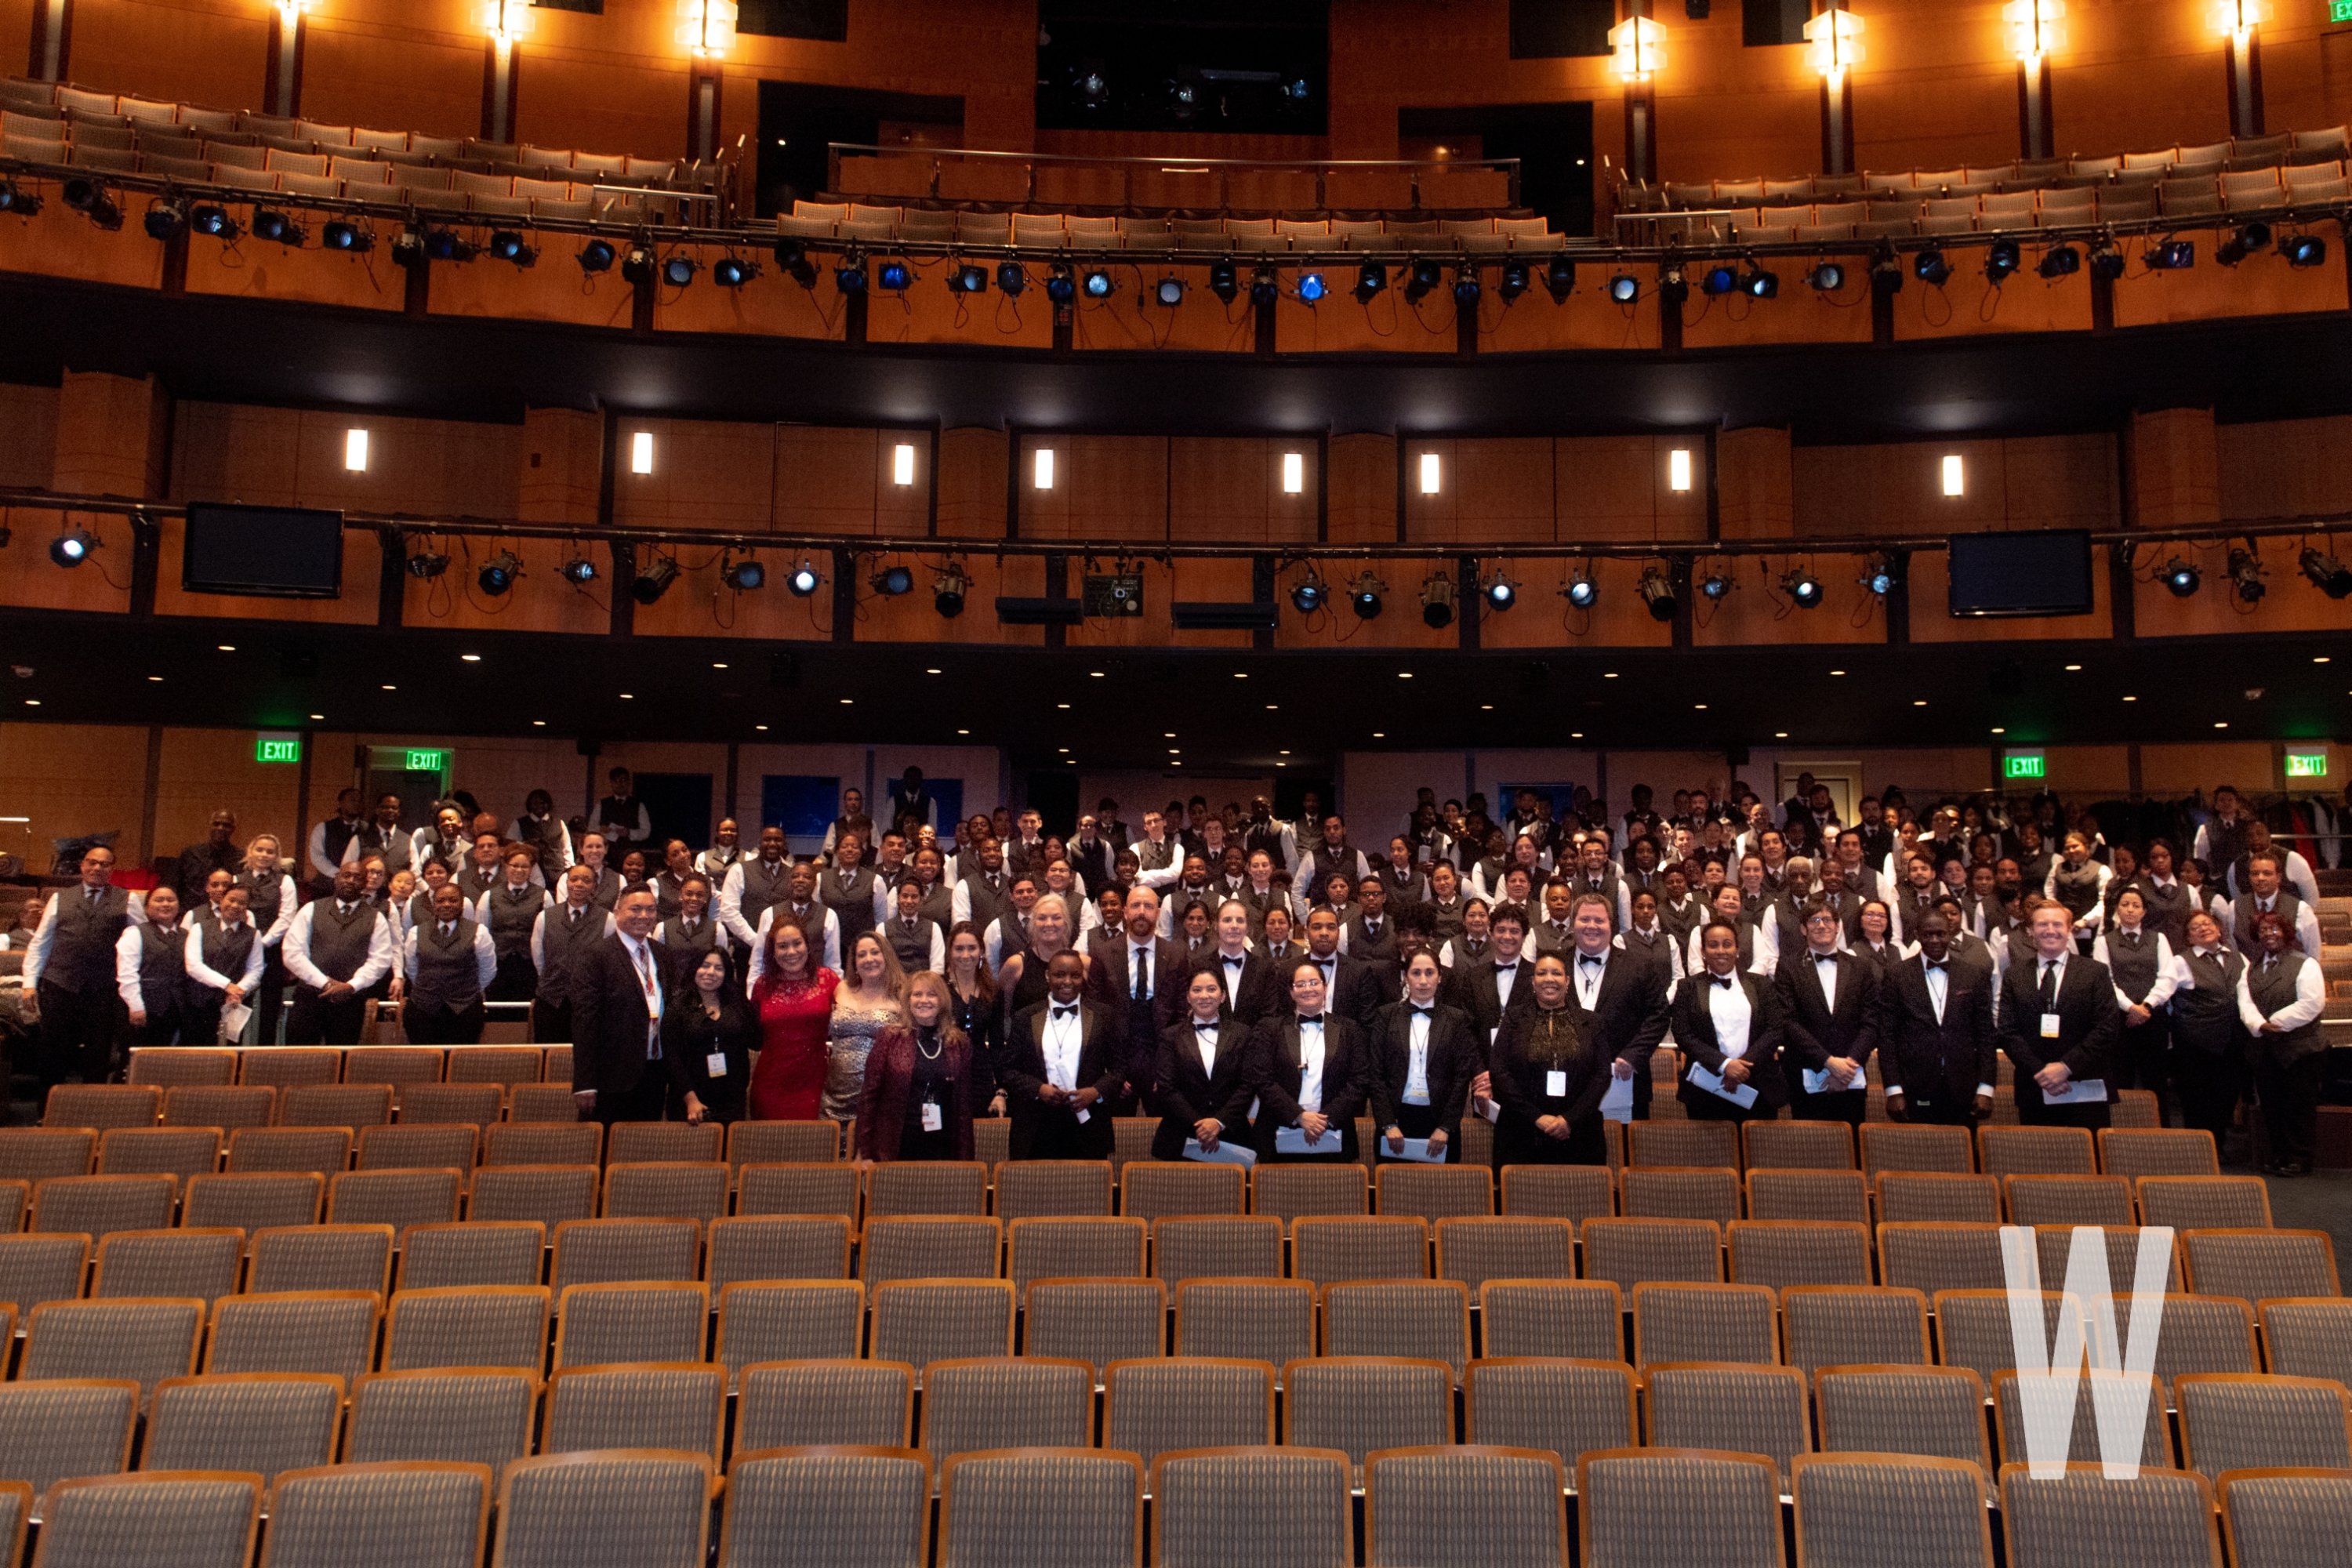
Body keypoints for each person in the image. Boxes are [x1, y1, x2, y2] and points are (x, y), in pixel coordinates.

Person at [24, 845, 144, 1087]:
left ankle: (92, 1110)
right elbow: (41, 943)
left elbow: (141, 941)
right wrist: (29, 983)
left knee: (98, 1054)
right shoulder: (59, 898)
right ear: (82, 866)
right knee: (53, 1052)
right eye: (92, 862)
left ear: (112, 869)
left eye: (104, 864)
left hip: (104, 990)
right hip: (60, 985)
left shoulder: (129, 900)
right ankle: (46, 1111)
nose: (97, 867)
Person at [1997, 900, 2120, 1130]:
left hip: (2084, 1087)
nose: (2050, 930)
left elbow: (2107, 1028)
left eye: (2057, 924)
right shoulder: (2015, 975)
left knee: (2088, 1161)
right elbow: (2007, 1030)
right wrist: (2041, 1072)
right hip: (2035, 1086)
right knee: (2040, 1162)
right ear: (2031, 930)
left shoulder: (2095, 972)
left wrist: (2065, 1067)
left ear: (2068, 928)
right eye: (2043, 924)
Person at [1486, 952, 1612, 1166]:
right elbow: (1499, 1071)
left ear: (1567, 981)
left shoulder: (1592, 1021)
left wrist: (1569, 1119)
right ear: (1533, 981)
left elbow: (1601, 1076)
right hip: (1522, 1131)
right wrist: (1536, 1117)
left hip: (1579, 1132)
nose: (1549, 979)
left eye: (1557, 973)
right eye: (1542, 973)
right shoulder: (1513, 1018)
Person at [1878, 913, 1998, 1127]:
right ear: (1917, 936)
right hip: (1915, 1084)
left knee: (1965, 1154)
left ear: (1950, 934)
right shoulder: (1897, 975)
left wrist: (1986, 1088)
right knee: (1919, 1153)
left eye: (1940, 934)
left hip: (1964, 1086)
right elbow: (1887, 1037)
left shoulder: (1974, 974)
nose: (1934, 940)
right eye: (1928, 934)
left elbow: (1986, 1035)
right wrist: (1893, 1089)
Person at [1002, 949, 1120, 1160]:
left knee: (1088, 1191)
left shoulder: (1105, 1016)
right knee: (1038, 1191)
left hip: (1088, 1123)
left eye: (1075, 975)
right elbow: (1008, 1070)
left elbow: (1120, 1069)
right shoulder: (1024, 1017)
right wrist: (1038, 1089)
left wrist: (1095, 1091)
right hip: (1036, 1125)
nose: (1067, 981)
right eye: (1059, 975)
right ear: (1047, 976)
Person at [1566, 892, 1671, 1120]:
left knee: (1626, 1150)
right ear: (1572, 923)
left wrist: (1634, 1055)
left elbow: (1660, 1014)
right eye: (1584, 919)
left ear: (1611, 925)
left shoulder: (1639, 966)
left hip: (1625, 1081)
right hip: (1567, 1086)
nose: (1592, 926)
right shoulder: (1554, 965)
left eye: (1599, 920)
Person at [2238, 910, 2328, 1177]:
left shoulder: (2305, 963)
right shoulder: (2251, 968)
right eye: (2263, 930)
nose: (2269, 934)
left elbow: (2312, 1003)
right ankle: (2279, 1155)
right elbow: (2245, 1002)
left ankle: (2299, 1158)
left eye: (2274, 929)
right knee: (2272, 1106)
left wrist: (2275, 1022)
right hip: (2266, 1049)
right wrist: (2258, 1025)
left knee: (2298, 1107)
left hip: (2302, 1050)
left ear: (2286, 933)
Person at [1776, 898, 1881, 1127]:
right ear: (1804, 929)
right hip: (1807, 1074)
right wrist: (1829, 1063)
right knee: (1810, 1150)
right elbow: (1788, 1021)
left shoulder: (1861, 967)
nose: (1821, 925)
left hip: (1851, 1076)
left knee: (1853, 1147)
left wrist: (1848, 1066)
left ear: (1838, 926)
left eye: (1827, 920)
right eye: (1814, 920)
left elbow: (1871, 1021)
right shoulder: (1788, 968)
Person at [1367, 946, 1478, 1162]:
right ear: (1406, 977)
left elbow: (1461, 1078)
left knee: (1440, 1192)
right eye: (1416, 973)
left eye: (1430, 972)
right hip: (1396, 1120)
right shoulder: (1385, 1016)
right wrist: (1388, 1124)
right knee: (1393, 1190)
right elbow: (1376, 1074)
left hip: (1440, 1120)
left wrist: (1445, 1127)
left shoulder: (1456, 1020)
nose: (1424, 981)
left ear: (1440, 977)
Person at [569, 887, 670, 1125]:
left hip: (655, 1073)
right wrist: (585, 1082)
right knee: (604, 1153)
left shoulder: (662, 954)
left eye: (650, 910)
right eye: (635, 909)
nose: (644, 916)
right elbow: (585, 1022)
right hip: (611, 1078)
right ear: (617, 912)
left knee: (641, 1154)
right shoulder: (596, 955)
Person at [1251, 956, 1365, 1164]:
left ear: (1325, 987)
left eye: (1314, 983)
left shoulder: (1350, 1029)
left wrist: (1325, 1119)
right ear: (1292, 993)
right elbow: (1262, 1079)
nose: (1308, 989)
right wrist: (1299, 1116)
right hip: (1279, 1130)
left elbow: (1358, 1081)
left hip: (1333, 1131)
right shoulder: (1270, 1029)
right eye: (1300, 984)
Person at [1083, 885, 1187, 1111]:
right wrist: (1109, 1073)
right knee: (1118, 1136)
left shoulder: (1177, 954)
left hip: (1160, 1057)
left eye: (1148, 906)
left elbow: (1181, 1017)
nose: (1142, 912)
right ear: (1125, 912)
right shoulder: (1102, 953)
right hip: (1117, 1057)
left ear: (1158, 913)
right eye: (1136, 906)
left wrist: (1170, 1069)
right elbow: (1094, 1014)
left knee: (1163, 1133)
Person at [855, 969, 976, 1163]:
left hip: (942, 1145)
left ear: (942, 1000)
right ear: (908, 1000)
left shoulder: (959, 1043)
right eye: (917, 994)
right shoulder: (889, 1038)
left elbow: (963, 1108)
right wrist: (865, 1152)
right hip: (894, 1145)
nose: (924, 1000)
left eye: (931, 994)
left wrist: (966, 1159)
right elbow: (869, 1097)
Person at [1671, 920, 1787, 1122]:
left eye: (1727, 944)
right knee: (1712, 1153)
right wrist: (1724, 1065)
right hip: (1706, 1089)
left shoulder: (1761, 985)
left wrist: (1741, 1067)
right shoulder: (1687, 988)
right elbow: (1683, 1034)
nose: (1721, 950)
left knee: (1759, 1151)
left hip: (1757, 1084)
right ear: (1703, 952)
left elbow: (1775, 1029)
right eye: (1713, 945)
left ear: (1737, 949)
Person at [282, 862, 399, 1046]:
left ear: (365, 883)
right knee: (299, 1060)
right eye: (346, 876)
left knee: (342, 1061)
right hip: (310, 997)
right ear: (336, 879)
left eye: (357, 877)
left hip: (350, 1001)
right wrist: (325, 983)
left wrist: (351, 986)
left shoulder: (376, 917)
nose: (351, 881)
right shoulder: (311, 909)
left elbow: (380, 960)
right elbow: (292, 953)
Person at [2167, 909, 2249, 1155]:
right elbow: (2166, 996)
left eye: (2208, 923)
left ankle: (2219, 1144)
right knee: (2197, 1098)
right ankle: (2199, 1150)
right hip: (2195, 1043)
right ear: (2189, 938)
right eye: (2195, 927)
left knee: (2227, 1094)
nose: (2203, 928)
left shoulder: (2239, 958)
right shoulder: (2180, 962)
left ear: (2219, 929)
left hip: (2232, 1040)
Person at [1152, 968, 1256, 1160]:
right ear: (1188, 997)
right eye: (1197, 990)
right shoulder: (1170, 1036)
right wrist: (1200, 1125)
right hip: (1181, 1134)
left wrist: (1218, 1122)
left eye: (1211, 989)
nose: (1204, 996)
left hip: (1231, 1133)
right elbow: (1167, 1088)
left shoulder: (1243, 1034)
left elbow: (1248, 1085)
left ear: (1223, 996)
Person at [2092, 886, 2177, 1114]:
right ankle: (2121, 1137)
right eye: (2125, 905)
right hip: (2120, 1019)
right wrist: (2131, 1008)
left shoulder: (2158, 939)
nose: (2130, 910)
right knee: (2122, 1078)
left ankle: (2161, 1137)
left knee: (2156, 1079)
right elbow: (2105, 980)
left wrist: (2146, 1006)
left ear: (2144, 912)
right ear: (2117, 910)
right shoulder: (2104, 941)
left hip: (2154, 1016)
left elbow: (2168, 977)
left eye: (2136, 905)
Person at [748, 913, 838, 1120]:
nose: (791, 952)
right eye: (782, 946)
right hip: (769, 1086)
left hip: (815, 1084)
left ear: (807, 945)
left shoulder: (828, 980)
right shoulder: (762, 986)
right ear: (773, 952)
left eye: (797, 943)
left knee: (812, 1148)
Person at [662, 945, 755, 1127]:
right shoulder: (677, 1006)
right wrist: (690, 1099)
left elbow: (756, 1040)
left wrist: (743, 1001)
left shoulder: (736, 1003)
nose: (710, 972)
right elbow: (672, 1058)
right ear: (695, 968)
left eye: (719, 968)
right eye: (705, 966)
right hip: (691, 1102)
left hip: (731, 1101)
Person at [401, 881, 496, 1045]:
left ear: (462, 904)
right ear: (433, 904)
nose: (446, 905)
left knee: (461, 1063)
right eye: (441, 901)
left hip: (466, 1011)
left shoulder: (479, 932)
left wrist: (467, 991)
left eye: (453, 900)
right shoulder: (416, 932)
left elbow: (488, 969)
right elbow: (412, 968)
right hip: (422, 1010)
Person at [824, 931, 906, 1122]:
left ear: (886, 956)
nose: (869, 959)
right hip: (833, 1097)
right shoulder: (840, 989)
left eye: (875, 952)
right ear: (854, 962)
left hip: (880, 1100)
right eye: (861, 955)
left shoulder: (902, 993)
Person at [183, 882, 263, 1045]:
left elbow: (256, 968)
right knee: (199, 1049)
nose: (235, 906)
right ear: (222, 900)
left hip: (234, 1002)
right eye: (231, 900)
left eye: (242, 903)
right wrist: (227, 985)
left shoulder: (253, 934)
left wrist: (239, 990)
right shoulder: (200, 928)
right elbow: (193, 965)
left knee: (231, 1050)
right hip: (201, 1000)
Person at [234, 833, 294, 1046]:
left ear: (277, 856)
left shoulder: (285, 881)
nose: (264, 855)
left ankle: (263, 1053)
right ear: (250, 852)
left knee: (270, 1006)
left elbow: (287, 917)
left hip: (272, 949)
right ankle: (235, 1054)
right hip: (241, 949)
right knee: (239, 1003)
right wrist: (249, 943)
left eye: (270, 851)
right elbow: (233, 912)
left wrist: (264, 942)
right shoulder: (237, 879)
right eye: (260, 850)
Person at [115, 884, 191, 1050]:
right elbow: (127, 973)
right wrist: (136, 1006)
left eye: (171, 900)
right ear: (147, 907)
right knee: (136, 1061)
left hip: (176, 1007)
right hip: (145, 1006)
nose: (166, 904)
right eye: (159, 900)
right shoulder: (135, 932)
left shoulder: (187, 935)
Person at [943, 923, 1006, 1120]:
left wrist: (1001, 1091)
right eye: (959, 948)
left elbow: (997, 1044)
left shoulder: (994, 990)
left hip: (980, 1074)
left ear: (981, 951)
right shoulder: (938, 986)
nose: (965, 955)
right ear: (950, 952)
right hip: (944, 1072)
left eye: (972, 948)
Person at [477, 846, 550, 1003]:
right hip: (499, 966)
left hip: (529, 966)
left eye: (524, 866)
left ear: (531, 870)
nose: (519, 870)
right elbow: (481, 934)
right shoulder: (489, 896)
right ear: (506, 867)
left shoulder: (543, 896)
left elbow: (549, 935)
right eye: (514, 865)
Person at [176, 810, 242, 908]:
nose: (220, 828)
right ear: (210, 826)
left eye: (226, 825)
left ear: (233, 829)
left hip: (228, 912)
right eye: (216, 824)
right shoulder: (190, 854)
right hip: (192, 910)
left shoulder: (241, 858)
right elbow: (177, 885)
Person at [308, 788, 370, 893]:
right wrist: (338, 874)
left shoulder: (368, 829)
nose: (356, 803)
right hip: (326, 885)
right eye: (352, 800)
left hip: (358, 886)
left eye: (359, 801)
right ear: (341, 803)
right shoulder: (323, 827)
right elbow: (317, 856)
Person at [511, 789, 574, 875]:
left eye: (543, 803)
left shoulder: (559, 823)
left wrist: (569, 870)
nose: (539, 806)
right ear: (529, 805)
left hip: (557, 872)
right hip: (531, 873)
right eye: (535, 803)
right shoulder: (519, 823)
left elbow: (567, 849)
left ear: (549, 805)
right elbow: (511, 847)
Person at [593, 767, 652, 855]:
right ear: (611, 783)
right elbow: (591, 828)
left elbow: (646, 832)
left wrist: (629, 832)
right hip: (606, 853)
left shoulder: (638, 805)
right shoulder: (602, 804)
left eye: (623, 780)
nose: (619, 784)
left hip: (630, 852)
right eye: (616, 781)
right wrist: (601, 829)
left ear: (629, 782)